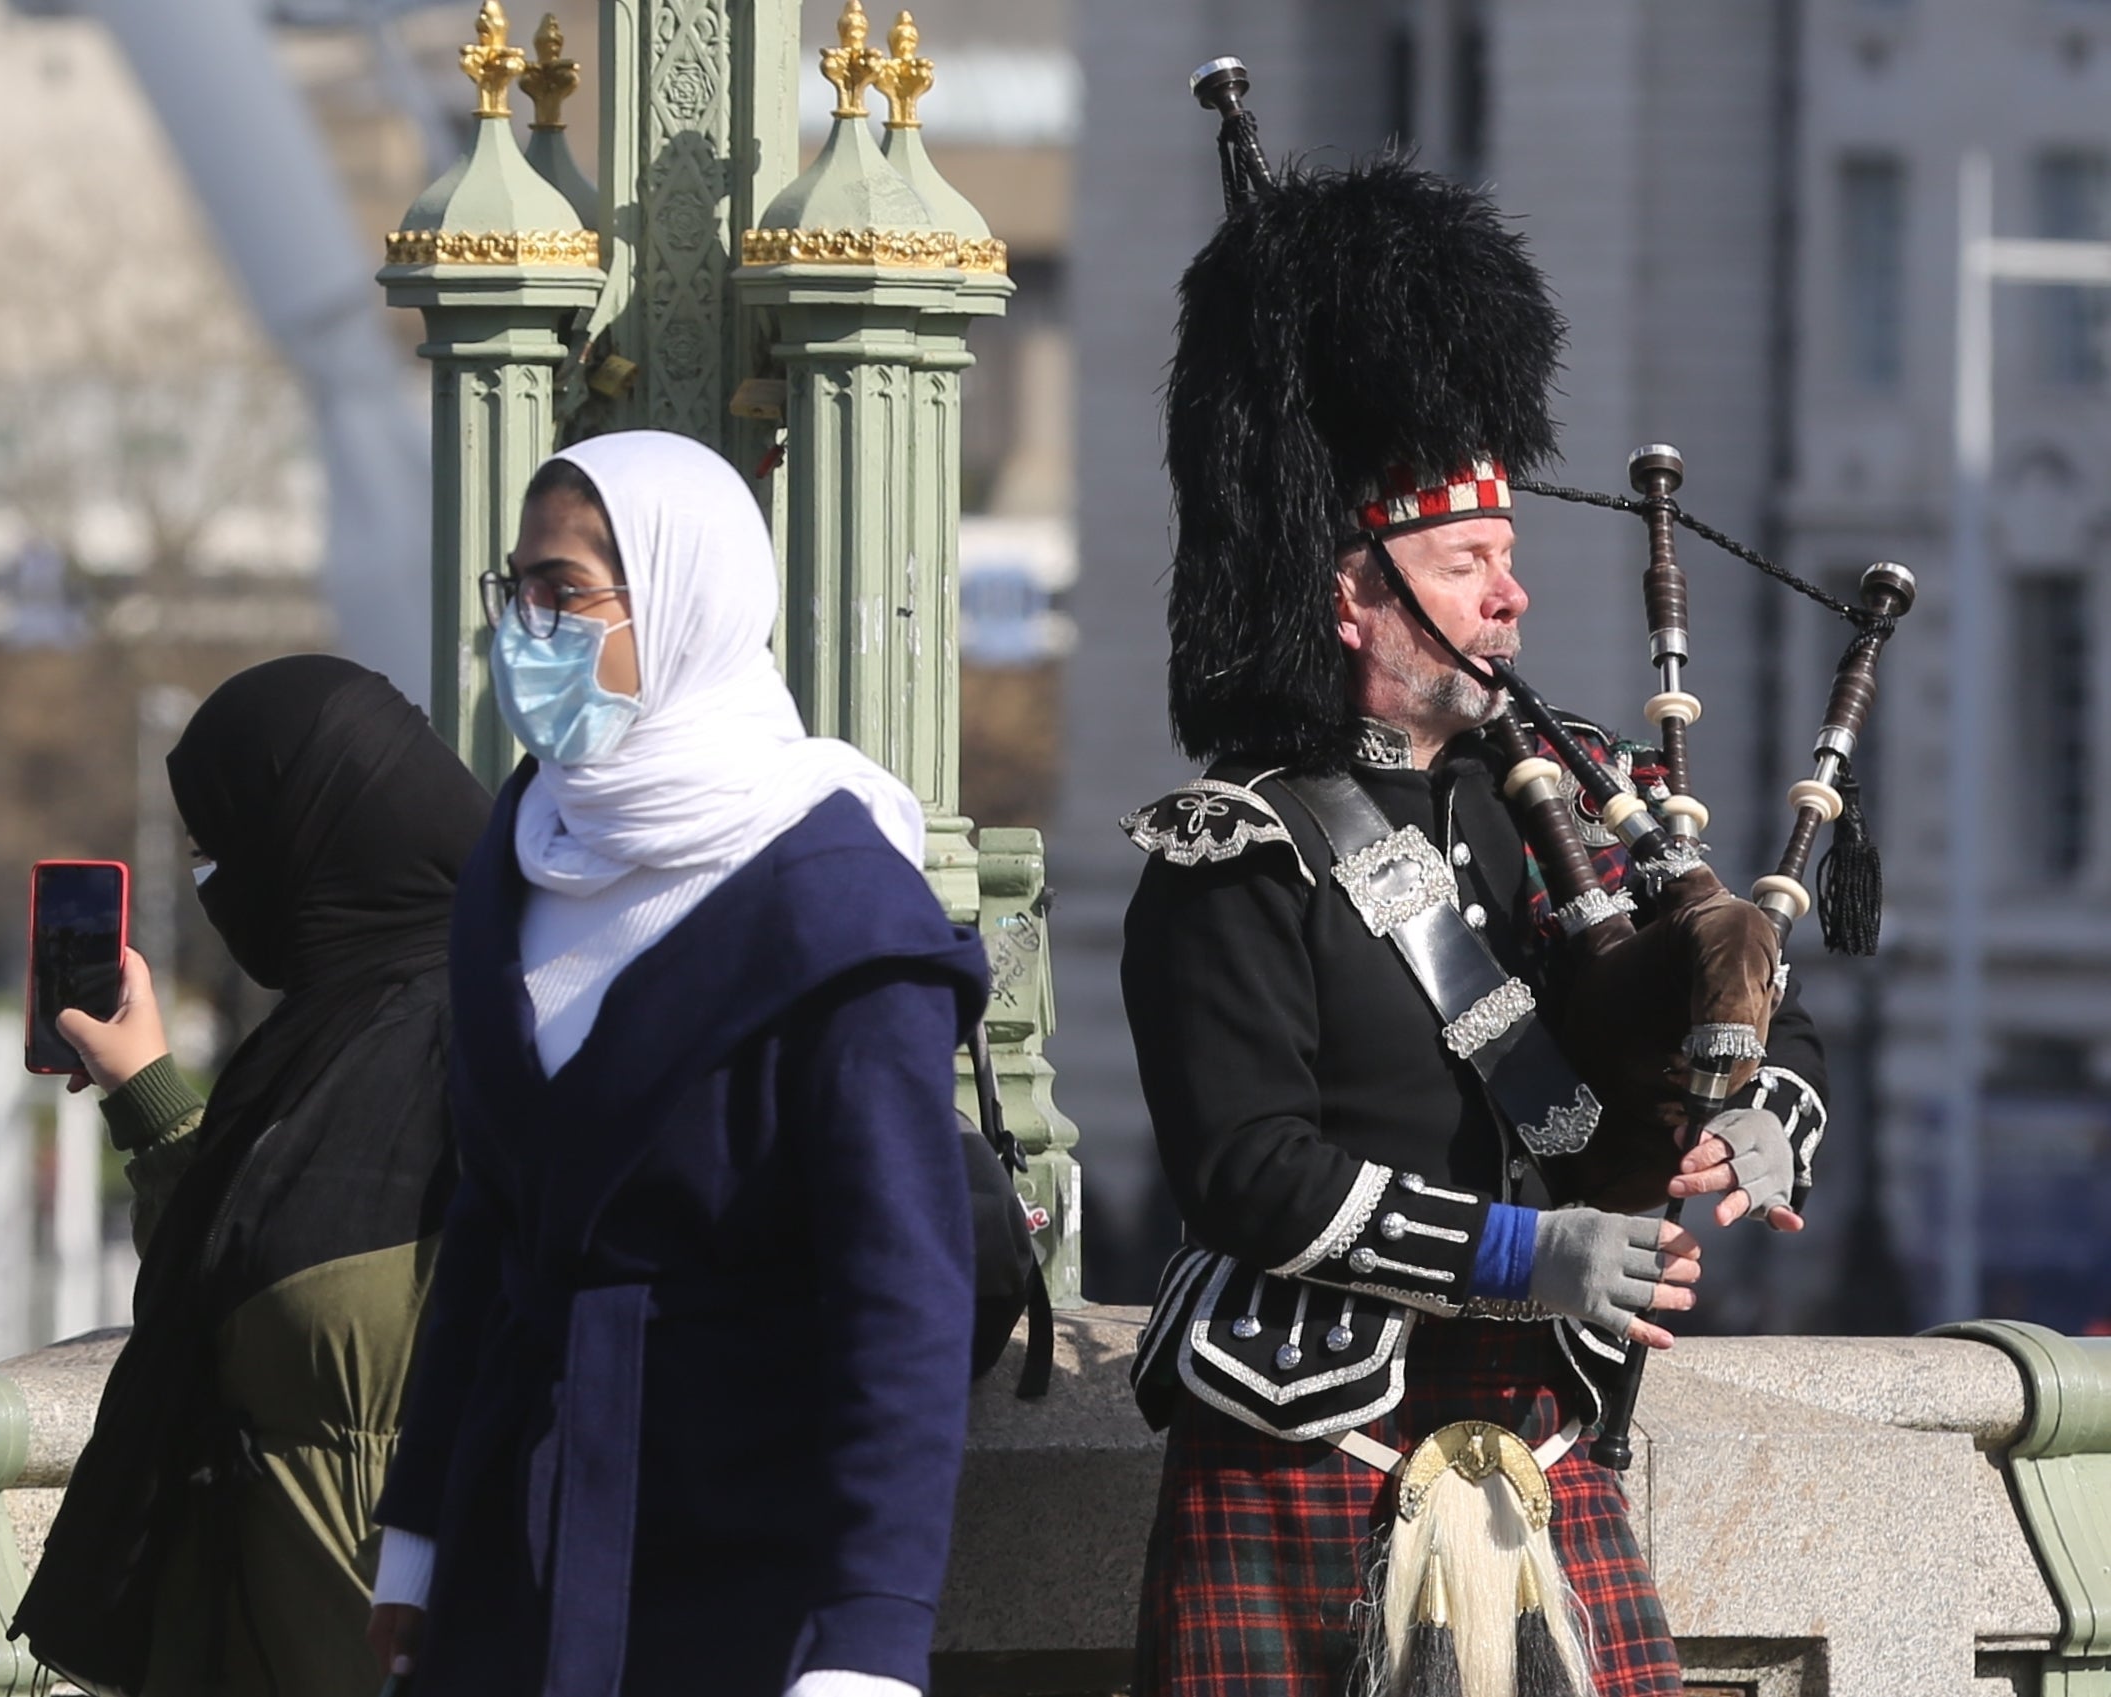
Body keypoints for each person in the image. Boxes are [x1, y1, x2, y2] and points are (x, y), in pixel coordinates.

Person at [1119, 148, 1831, 1696]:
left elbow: (1758, 1004)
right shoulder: (1235, 847)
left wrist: (1758, 1117)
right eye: (1466, 564)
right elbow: (1249, 1172)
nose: (1511, 598)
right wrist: (1530, 1250)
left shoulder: (1571, 800)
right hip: (1309, 1433)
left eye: (1508, 560)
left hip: (1545, 1435)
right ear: (1350, 596)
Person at [366, 430, 986, 1697]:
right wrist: (419, 1529)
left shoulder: (834, 907)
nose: (527, 630)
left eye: (568, 593)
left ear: (691, 599)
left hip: (739, 1548)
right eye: (517, 588)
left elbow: (900, 1291)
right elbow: (490, 1220)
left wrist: (872, 1630)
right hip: (508, 1547)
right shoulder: (524, 845)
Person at [11, 656, 492, 1697]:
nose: (212, 879)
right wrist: (143, 1089)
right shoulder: (325, 1045)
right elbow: (245, 1267)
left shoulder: (504, 1044)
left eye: (220, 846)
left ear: (314, 829)